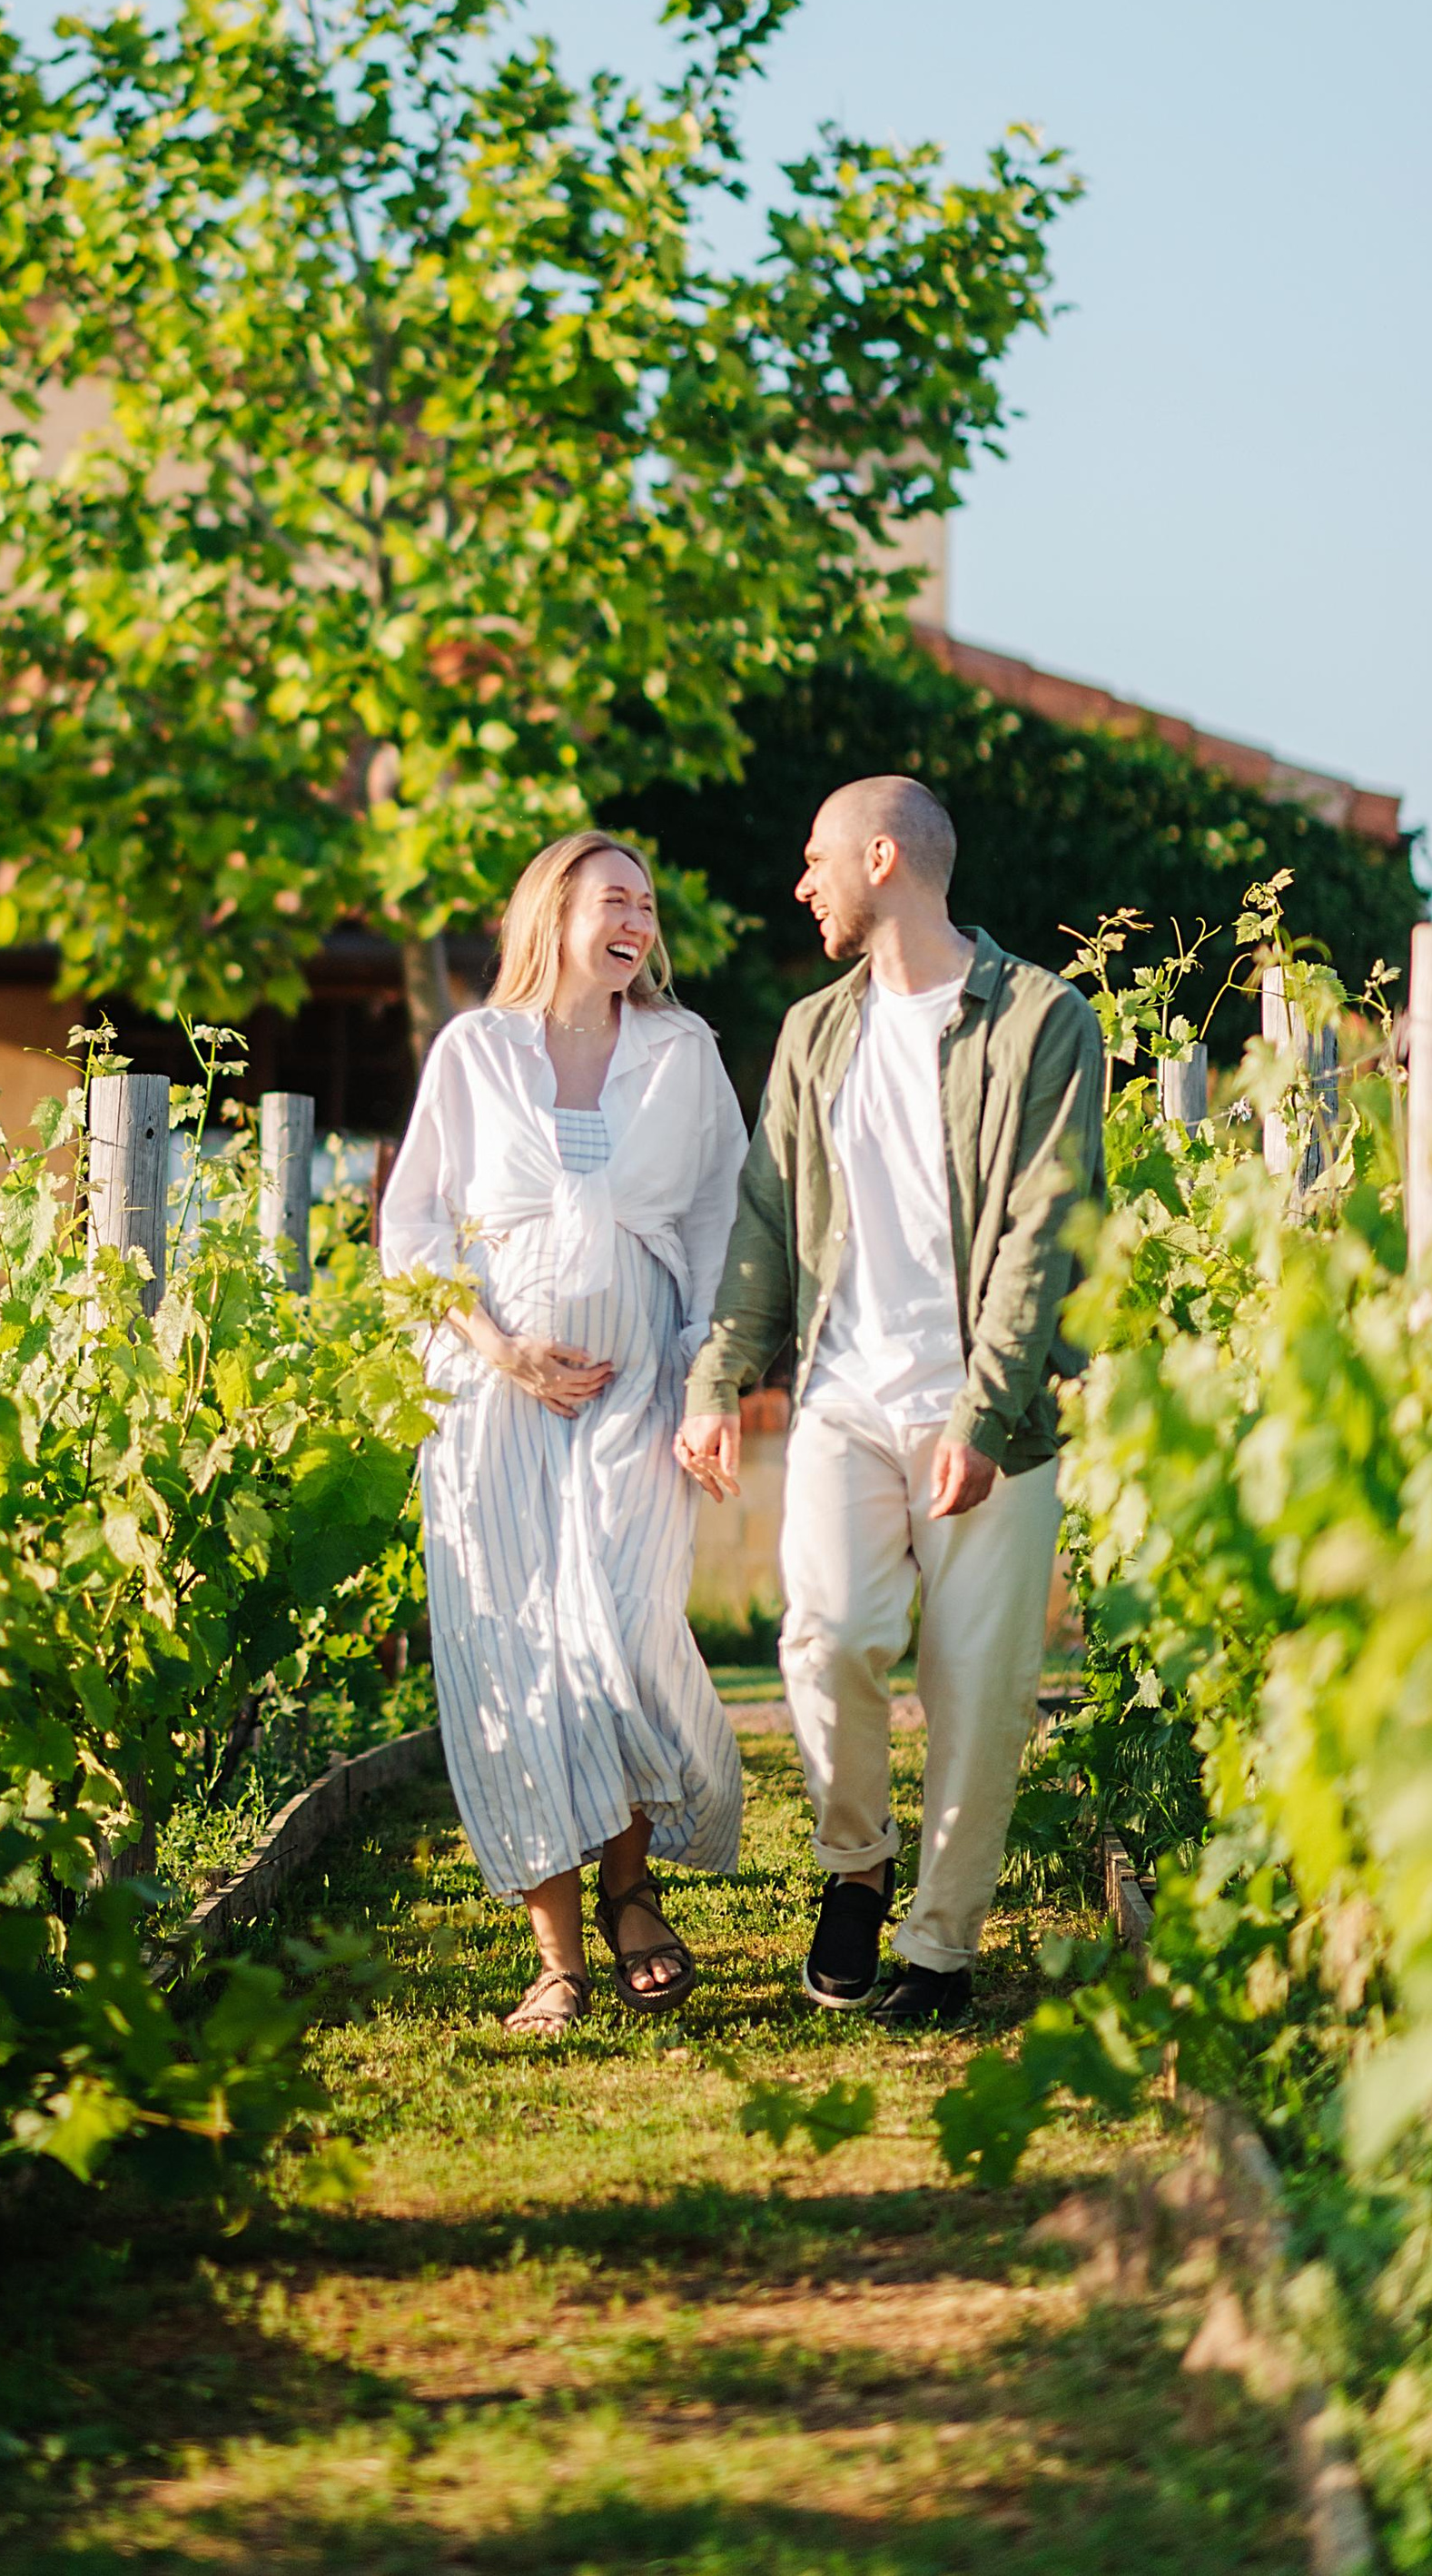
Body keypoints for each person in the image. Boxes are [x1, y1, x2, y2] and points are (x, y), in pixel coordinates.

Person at [676, 776, 1103, 2031]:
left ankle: (939, 1944)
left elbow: (1041, 1227)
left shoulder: (1041, 1020)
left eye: (816, 861)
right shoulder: (816, 1032)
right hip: (847, 1395)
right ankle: (854, 1864)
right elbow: (766, 1215)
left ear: (881, 858)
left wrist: (982, 1411)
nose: (802, 885)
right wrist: (719, 1381)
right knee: (825, 1638)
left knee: (978, 1688)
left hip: (992, 1410)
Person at [380, 831, 748, 2037]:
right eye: (614, 898)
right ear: (555, 913)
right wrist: (502, 1352)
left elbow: (716, 1225)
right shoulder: (476, 1054)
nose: (637, 919)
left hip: (638, 1386)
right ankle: (559, 1958)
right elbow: (416, 1232)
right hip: (495, 1397)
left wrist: (709, 1384)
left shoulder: (683, 1053)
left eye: (647, 902)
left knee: (626, 1633)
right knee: (517, 1651)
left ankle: (631, 1884)